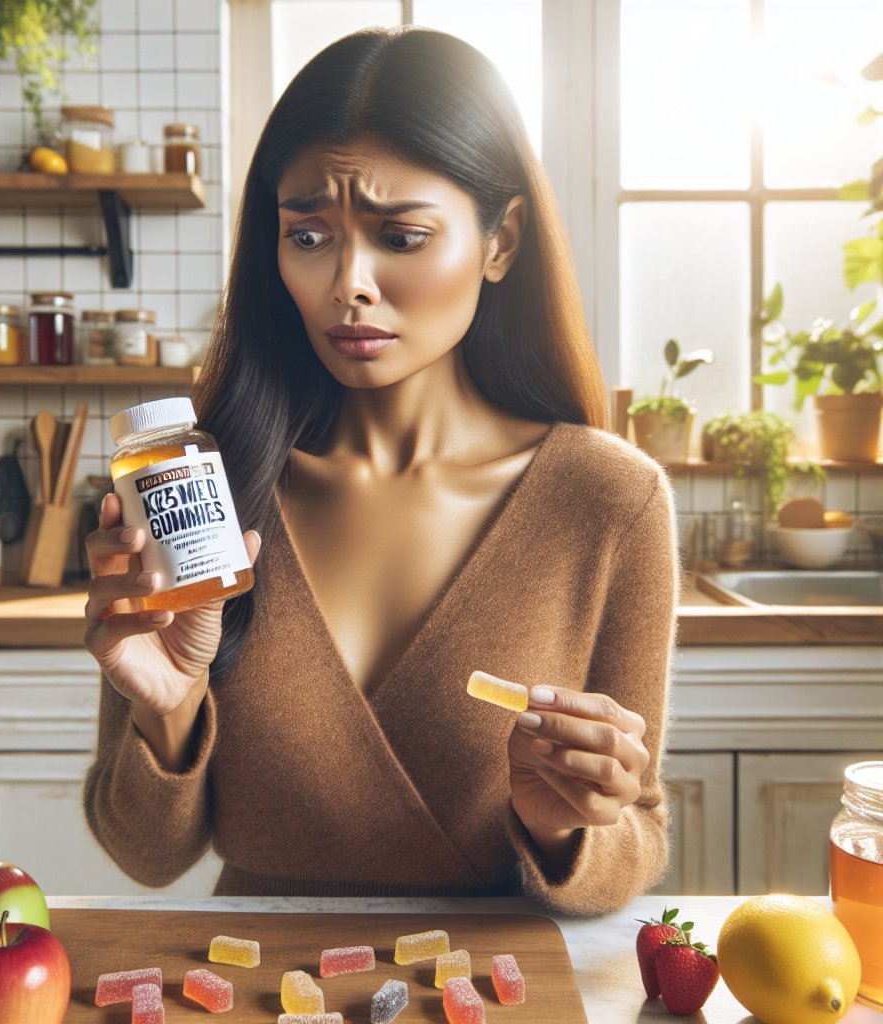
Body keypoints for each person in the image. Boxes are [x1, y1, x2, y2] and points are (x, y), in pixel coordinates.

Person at [83, 25, 677, 915]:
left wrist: (567, 825)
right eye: (310, 235)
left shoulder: (611, 501)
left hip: (495, 990)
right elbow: (147, 857)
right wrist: (166, 710)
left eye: (401, 237)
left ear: (502, 240)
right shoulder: (196, 488)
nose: (347, 283)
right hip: (255, 990)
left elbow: (633, 844)